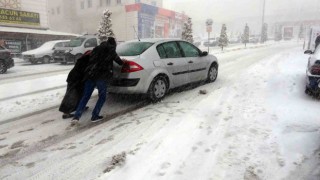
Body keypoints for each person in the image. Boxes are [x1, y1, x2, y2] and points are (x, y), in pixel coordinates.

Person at [71, 37, 124, 124]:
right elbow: (119, 61)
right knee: (102, 97)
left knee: (85, 96)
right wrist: (123, 62)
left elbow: (91, 60)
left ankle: (76, 117)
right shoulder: (111, 50)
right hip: (101, 76)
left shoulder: (96, 49)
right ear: (113, 44)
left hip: (90, 74)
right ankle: (95, 116)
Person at [59, 50, 91, 119]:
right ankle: (66, 113)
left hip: (75, 78)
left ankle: (80, 107)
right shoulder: (87, 61)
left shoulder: (82, 59)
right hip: (75, 79)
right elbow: (84, 71)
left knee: (80, 93)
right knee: (71, 96)